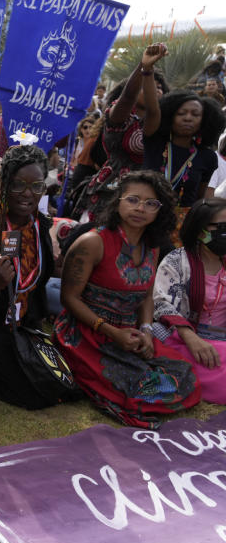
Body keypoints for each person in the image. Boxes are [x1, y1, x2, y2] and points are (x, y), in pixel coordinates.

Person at [54, 171, 200, 428]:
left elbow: (146, 295)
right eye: (133, 199)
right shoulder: (93, 242)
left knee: (184, 375)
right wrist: (111, 332)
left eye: (150, 203)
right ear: (118, 201)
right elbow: (69, 298)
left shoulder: (152, 246)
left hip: (129, 333)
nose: (140, 208)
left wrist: (146, 330)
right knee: (136, 388)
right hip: (86, 333)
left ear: (160, 211)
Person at [0, 145, 66, 409]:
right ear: (4, 184)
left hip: (26, 325)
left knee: (59, 385)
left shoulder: (40, 226)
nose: (27, 194)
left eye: (36, 186)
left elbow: (39, 282)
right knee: (32, 397)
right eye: (18, 185)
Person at [73, 44, 169, 219]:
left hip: (148, 197)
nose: (155, 89)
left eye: (160, 86)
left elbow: (154, 111)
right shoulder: (119, 117)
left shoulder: (162, 122)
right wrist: (143, 66)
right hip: (111, 194)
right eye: (148, 84)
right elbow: (128, 97)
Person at [151, 197, 226, 404]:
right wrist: (192, 338)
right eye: (222, 227)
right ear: (201, 230)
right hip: (184, 339)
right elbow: (162, 304)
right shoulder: (176, 261)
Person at [143, 89, 226, 208]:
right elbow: (151, 111)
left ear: (204, 121)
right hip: (145, 214)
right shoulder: (154, 142)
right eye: (181, 113)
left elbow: (201, 199)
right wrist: (147, 73)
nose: (188, 118)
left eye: (195, 114)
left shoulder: (208, 157)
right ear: (170, 116)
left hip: (181, 222)